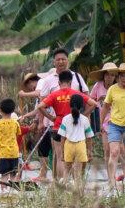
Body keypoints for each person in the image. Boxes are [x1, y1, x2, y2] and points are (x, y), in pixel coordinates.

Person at [20, 48, 87, 178]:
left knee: (77, 153)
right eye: (58, 60)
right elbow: (41, 102)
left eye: (63, 59)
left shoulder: (77, 77)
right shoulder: (47, 80)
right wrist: (43, 120)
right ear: (54, 62)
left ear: (68, 60)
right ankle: (61, 184)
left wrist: (84, 117)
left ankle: (74, 184)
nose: (61, 61)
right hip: (56, 124)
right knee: (59, 154)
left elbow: (87, 97)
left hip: (77, 123)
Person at [25, 70, 98, 179]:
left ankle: (60, 185)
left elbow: (40, 106)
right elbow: (94, 104)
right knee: (76, 158)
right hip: (75, 129)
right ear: (70, 82)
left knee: (60, 157)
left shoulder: (54, 94)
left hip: (58, 127)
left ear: (59, 83)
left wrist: (51, 117)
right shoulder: (76, 93)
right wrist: (82, 115)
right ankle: (76, 183)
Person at [88, 62, 119, 172]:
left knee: (117, 150)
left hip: (118, 120)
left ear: (115, 77)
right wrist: (99, 99)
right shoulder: (98, 86)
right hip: (104, 121)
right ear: (104, 76)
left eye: (112, 75)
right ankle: (110, 175)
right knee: (106, 149)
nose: (109, 77)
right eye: (107, 75)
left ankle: (123, 174)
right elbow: (90, 101)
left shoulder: (118, 87)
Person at [58, 94, 95, 180]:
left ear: (70, 105)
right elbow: (89, 138)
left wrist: (62, 153)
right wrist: (89, 151)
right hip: (80, 146)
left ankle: (64, 190)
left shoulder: (65, 119)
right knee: (78, 172)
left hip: (68, 145)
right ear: (82, 106)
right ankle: (78, 191)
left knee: (66, 170)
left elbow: (62, 138)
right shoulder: (85, 119)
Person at [0, 98, 23, 181]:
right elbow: (17, 135)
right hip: (14, 153)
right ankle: (13, 191)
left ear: (0, 110)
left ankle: (4, 192)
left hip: (3, 154)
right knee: (13, 174)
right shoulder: (15, 123)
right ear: (13, 111)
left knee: (4, 174)